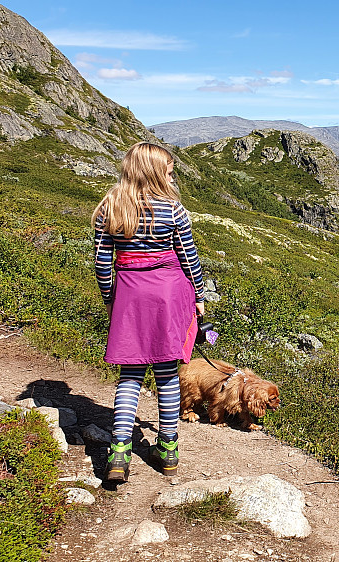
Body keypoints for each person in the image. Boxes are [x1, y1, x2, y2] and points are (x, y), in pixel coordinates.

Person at [91, 142, 205, 483]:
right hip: (168, 293)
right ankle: (168, 449)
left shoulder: (110, 208)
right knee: (167, 373)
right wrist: (198, 294)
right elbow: (189, 257)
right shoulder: (173, 210)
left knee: (130, 374)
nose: (173, 175)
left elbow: (102, 263)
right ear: (155, 172)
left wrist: (111, 298)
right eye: (169, 170)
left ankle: (119, 453)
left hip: (131, 293)